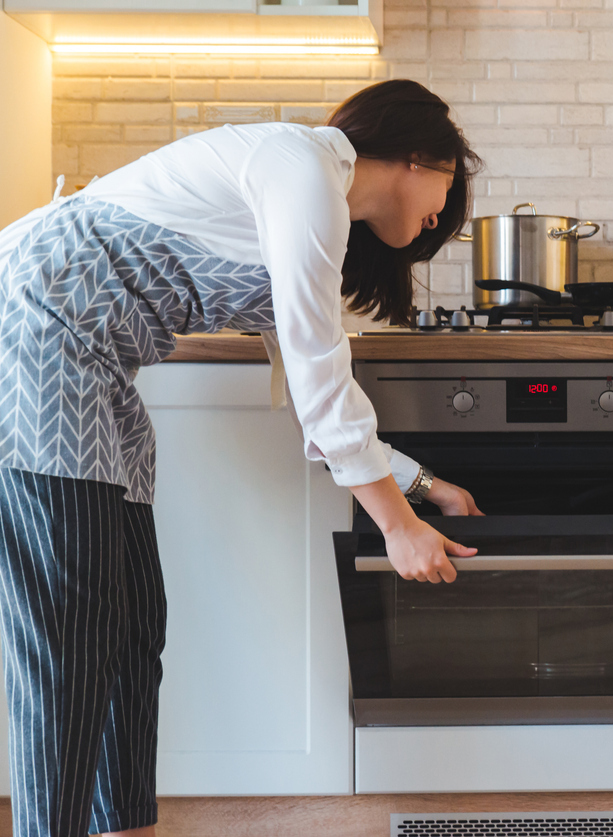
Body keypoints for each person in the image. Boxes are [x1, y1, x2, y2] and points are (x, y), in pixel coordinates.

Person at [0, 78, 482, 837]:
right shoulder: (301, 171)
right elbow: (325, 385)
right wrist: (397, 527)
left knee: (130, 631)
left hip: (95, 365)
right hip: (39, 338)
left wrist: (420, 486)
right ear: (419, 157)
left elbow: (313, 400)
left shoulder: (310, 194)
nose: (443, 215)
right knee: (69, 639)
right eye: (450, 184)